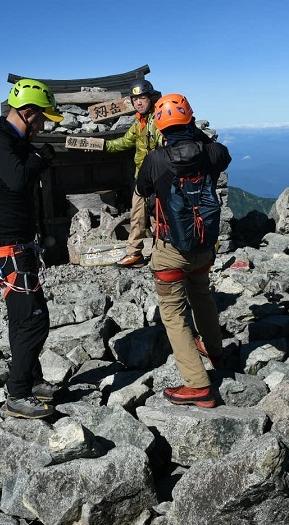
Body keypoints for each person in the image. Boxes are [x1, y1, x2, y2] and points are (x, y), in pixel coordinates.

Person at [136, 94, 230, 408]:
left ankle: (198, 385)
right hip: (204, 244)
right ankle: (215, 352)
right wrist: (194, 132)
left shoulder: (156, 160)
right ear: (189, 120)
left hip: (170, 248)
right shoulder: (212, 152)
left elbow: (143, 190)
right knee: (201, 294)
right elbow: (223, 155)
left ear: (161, 127)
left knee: (174, 315)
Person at [0, 78, 62, 419]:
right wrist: (40, 159)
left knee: (23, 317)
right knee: (33, 321)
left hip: (10, 247)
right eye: (40, 119)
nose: (42, 125)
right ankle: (18, 395)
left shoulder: (9, 140)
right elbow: (17, 179)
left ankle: (30, 378)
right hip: (9, 249)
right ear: (26, 113)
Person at [104, 78, 164, 268]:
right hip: (142, 178)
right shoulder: (139, 123)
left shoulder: (159, 120)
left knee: (159, 218)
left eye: (143, 98)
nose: (138, 102)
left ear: (151, 98)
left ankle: (162, 256)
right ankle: (134, 254)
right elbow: (123, 142)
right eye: (135, 99)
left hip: (159, 180)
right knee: (137, 216)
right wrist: (101, 145)